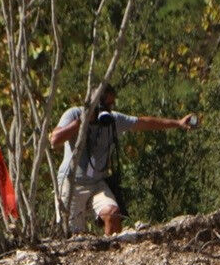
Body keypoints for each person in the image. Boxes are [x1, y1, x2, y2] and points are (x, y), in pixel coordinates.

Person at [49, 82, 196, 235]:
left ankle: (110, 247)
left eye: (111, 104)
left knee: (113, 213)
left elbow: (143, 123)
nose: (109, 109)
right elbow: (55, 140)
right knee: (73, 235)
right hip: (71, 182)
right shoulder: (74, 114)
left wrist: (178, 123)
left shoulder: (112, 119)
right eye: (106, 105)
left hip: (97, 182)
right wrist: (82, 121)